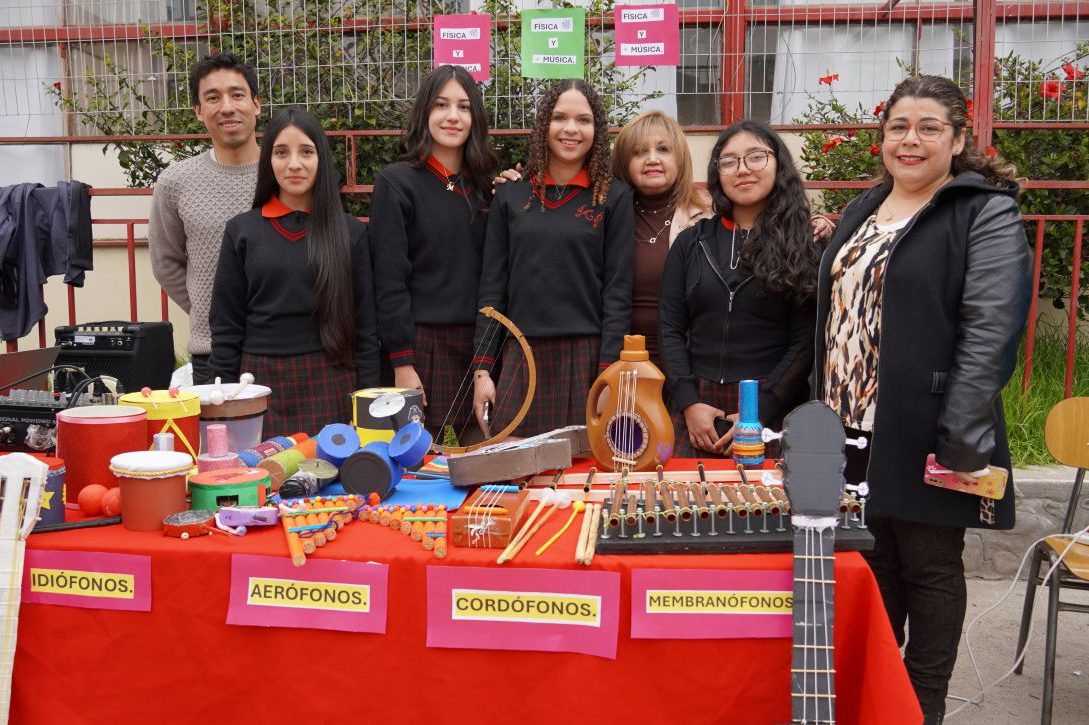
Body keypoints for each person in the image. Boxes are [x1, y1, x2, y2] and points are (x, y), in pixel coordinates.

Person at [813, 75, 1031, 724]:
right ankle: (878, 697)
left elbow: (990, 326)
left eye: (928, 127)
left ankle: (921, 705)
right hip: (849, 430)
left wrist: (960, 438)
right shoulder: (865, 207)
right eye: (897, 127)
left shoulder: (981, 209)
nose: (909, 140)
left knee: (930, 569)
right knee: (869, 566)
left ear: (958, 139)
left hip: (928, 428)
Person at [471, 79, 634, 437]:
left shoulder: (613, 197)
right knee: (515, 471)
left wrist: (609, 372)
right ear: (544, 125)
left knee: (585, 474)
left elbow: (617, 294)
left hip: (587, 358)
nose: (571, 129)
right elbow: (492, 288)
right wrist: (482, 370)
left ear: (597, 129)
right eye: (559, 117)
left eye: (584, 120)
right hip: (520, 355)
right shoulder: (510, 194)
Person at [208, 109, 379, 435]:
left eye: (306, 152)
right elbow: (226, 329)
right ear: (268, 161)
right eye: (281, 152)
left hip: (331, 382)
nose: (294, 164)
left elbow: (366, 333)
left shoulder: (350, 233)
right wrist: (221, 407)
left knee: (333, 483)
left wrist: (366, 408)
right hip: (256, 384)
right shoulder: (242, 231)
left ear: (321, 159)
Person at [658, 120, 821, 457]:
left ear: (778, 164)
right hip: (695, 410)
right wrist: (688, 402)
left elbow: (805, 341)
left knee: (760, 509)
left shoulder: (805, 243)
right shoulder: (692, 243)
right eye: (729, 161)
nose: (743, 170)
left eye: (756, 157)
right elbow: (670, 329)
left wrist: (759, 410)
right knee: (684, 506)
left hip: (771, 409)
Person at [370, 65, 498, 440]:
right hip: (419, 345)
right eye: (441, 105)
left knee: (478, 458)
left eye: (464, 106)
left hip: (478, 347)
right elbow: (389, 279)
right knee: (412, 459)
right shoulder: (396, 183)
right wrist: (402, 361)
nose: (453, 116)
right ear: (425, 113)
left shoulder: (487, 190)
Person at [149, 53, 261, 384]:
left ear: (256, 104)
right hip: (211, 353)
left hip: (282, 348)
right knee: (218, 437)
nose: (227, 107)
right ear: (199, 111)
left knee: (292, 438)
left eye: (237, 94)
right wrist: (209, 314)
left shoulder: (287, 173)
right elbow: (166, 263)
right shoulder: (176, 181)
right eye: (213, 98)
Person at [610, 110, 713, 368]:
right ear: (624, 162)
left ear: (679, 158)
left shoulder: (710, 213)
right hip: (619, 360)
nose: (652, 159)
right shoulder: (605, 213)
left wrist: (821, 225)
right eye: (639, 152)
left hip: (688, 360)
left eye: (663, 149)